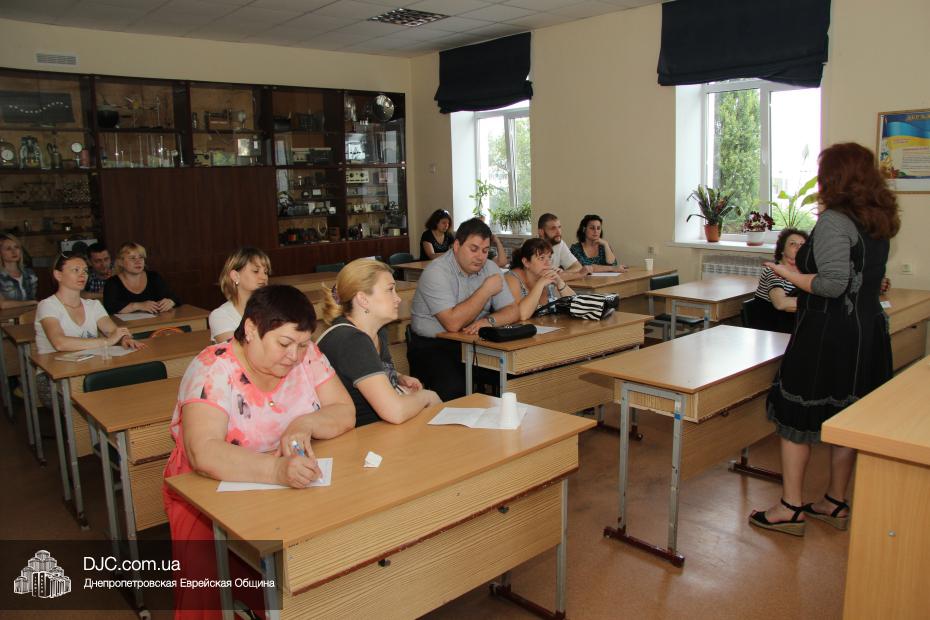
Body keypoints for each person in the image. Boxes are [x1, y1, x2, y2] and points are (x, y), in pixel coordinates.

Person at [162, 285, 354, 617]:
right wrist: (276, 471)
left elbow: (344, 411)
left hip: (286, 484)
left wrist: (304, 424)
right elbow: (203, 452)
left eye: (302, 345)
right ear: (251, 329)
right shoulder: (212, 368)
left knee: (309, 578)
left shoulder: (306, 354)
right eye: (284, 344)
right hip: (209, 492)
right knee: (212, 594)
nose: (294, 356)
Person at [749, 143, 900, 536]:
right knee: (847, 414)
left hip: (828, 333)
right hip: (866, 332)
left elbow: (832, 285)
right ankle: (834, 500)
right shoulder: (878, 219)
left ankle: (790, 507)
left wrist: (788, 274)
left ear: (834, 177)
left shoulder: (835, 220)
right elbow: (857, 276)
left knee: (796, 417)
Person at [317, 258, 441, 427]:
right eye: (390, 290)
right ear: (363, 299)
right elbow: (395, 412)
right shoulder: (351, 340)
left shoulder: (377, 331)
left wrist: (398, 377)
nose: (398, 299)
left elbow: (361, 370)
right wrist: (427, 396)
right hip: (361, 435)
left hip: (380, 429)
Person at [408, 218, 520, 400]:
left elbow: (513, 311)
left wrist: (489, 321)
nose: (480, 257)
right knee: (455, 389)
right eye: (473, 249)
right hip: (433, 346)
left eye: (485, 251)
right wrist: (485, 290)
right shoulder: (436, 272)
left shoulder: (490, 268)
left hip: (474, 342)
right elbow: (452, 324)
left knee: (514, 376)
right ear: (457, 246)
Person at [35, 253, 145, 355]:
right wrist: (107, 341)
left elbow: (112, 331)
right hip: (55, 368)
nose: (83, 275)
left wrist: (124, 338)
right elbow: (60, 343)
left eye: (85, 270)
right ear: (58, 275)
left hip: (89, 364)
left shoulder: (93, 305)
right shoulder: (47, 305)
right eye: (76, 270)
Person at [752, 228, 809, 333]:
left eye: (802, 244)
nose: (799, 247)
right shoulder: (773, 271)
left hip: (795, 327)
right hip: (772, 331)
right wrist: (816, 304)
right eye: (793, 244)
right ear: (782, 249)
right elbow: (781, 303)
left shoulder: (806, 273)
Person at [209, 247, 271, 343]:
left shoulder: (272, 308)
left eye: (266, 272)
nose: (264, 277)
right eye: (256, 271)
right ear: (235, 276)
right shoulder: (220, 315)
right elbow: (235, 350)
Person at [505, 238, 575, 320]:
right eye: (541, 258)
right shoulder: (511, 279)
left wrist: (560, 282)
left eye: (549, 257)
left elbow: (576, 305)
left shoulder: (547, 276)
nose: (548, 263)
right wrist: (540, 284)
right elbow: (521, 315)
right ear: (526, 262)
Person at [103, 242, 180, 315]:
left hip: (156, 322)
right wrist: (138, 306)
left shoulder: (154, 277)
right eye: (132, 258)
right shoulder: (112, 282)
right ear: (120, 262)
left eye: (141, 257)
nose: (138, 261)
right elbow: (110, 308)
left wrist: (171, 302)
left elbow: (176, 298)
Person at [537, 213, 591, 282]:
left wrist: (563, 273)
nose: (558, 232)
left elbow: (577, 267)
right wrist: (578, 274)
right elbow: (543, 278)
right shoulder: (533, 247)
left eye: (559, 227)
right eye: (553, 228)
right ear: (541, 232)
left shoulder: (560, 244)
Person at [0, 233, 38, 310]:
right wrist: (32, 302)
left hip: (28, 314)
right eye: (8, 248)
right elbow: (3, 305)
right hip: (7, 317)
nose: (14, 252)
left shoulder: (29, 273)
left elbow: (33, 297)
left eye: (16, 247)